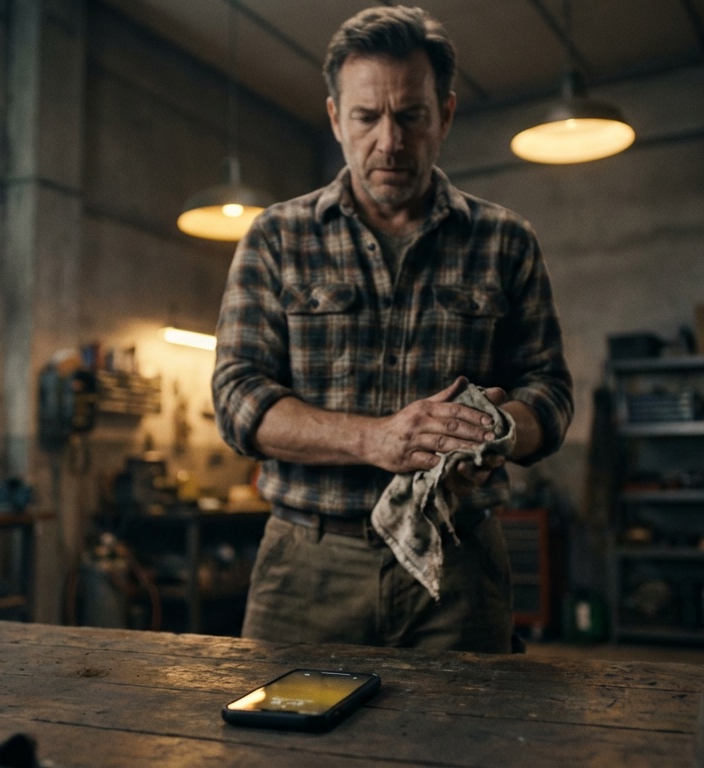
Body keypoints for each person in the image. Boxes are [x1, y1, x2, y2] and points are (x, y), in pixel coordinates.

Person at [211, 6, 573, 653]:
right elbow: (238, 400)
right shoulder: (276, 236)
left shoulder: (505, 240)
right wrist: (374, 439)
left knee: (462, 745)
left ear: (446, 115)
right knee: (286, 750)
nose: (390, 141)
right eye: (367, 117)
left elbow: (550, 391)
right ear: (334, 118)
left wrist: (495, 432)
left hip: (460, 564)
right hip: (307, 565)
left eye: (411, 115)